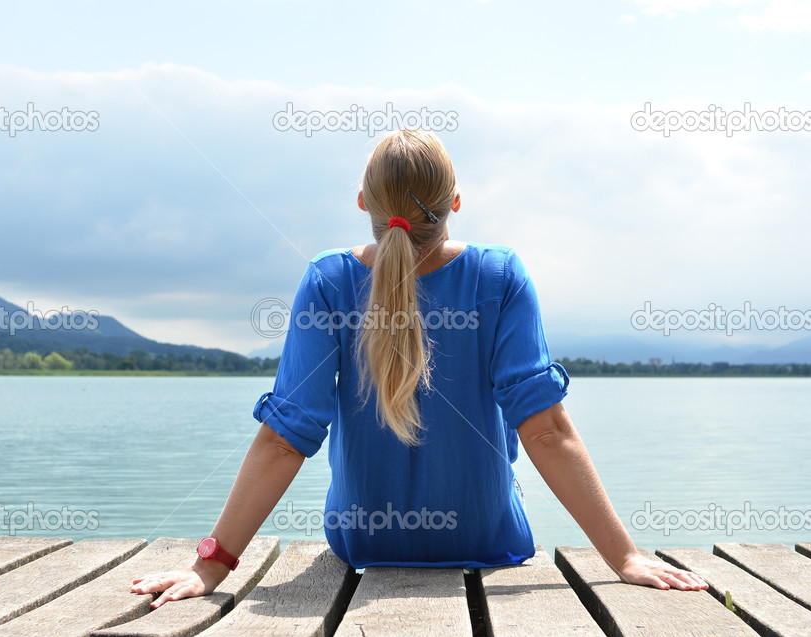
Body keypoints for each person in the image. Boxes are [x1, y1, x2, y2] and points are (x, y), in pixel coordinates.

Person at [131, 130, 707, 607]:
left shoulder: (328, 281)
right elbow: (546, 432)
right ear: (456, 201)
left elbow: (284, 442)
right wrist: (625, 557)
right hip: (487, 540)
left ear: (364, 203)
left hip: (361, 542)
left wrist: (210, 568)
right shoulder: (500, 276)